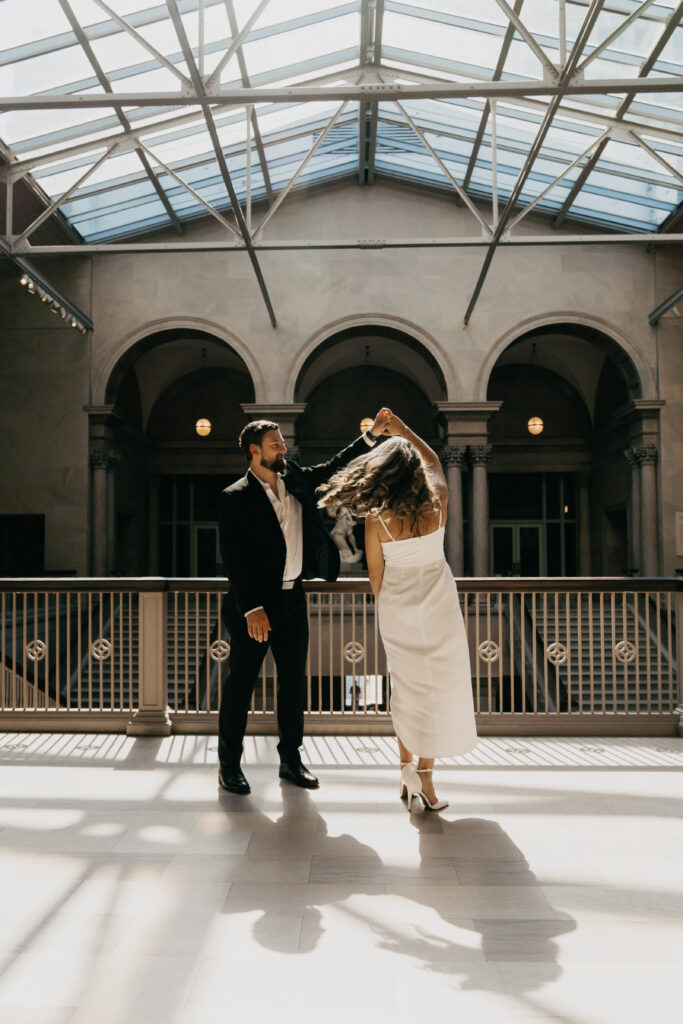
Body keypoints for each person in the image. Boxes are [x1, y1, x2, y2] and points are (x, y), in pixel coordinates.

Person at [217, 411, 390, 795]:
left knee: (293, 684)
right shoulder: (234, 498)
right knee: (240, 685)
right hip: (254, 608)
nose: (283, 448)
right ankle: (229, 766)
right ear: (254, 451)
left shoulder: (295, 478)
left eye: (282, 443)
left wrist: (371, 435)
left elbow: (334, 465)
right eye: (276, 444)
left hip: (293, 598)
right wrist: (250, 608)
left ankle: (290, 761)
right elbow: (233, 559)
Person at [318, 412, 477, 811]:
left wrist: (389, 604)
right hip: (439, 602)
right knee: (438, 687)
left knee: (405, 686)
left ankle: (405, 768)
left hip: (397, 606)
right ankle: (426, 778)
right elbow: (436, 463)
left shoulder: (377, 518)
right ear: (415, 470)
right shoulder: (438, 499)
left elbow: (376, 575)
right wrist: (406, 431)